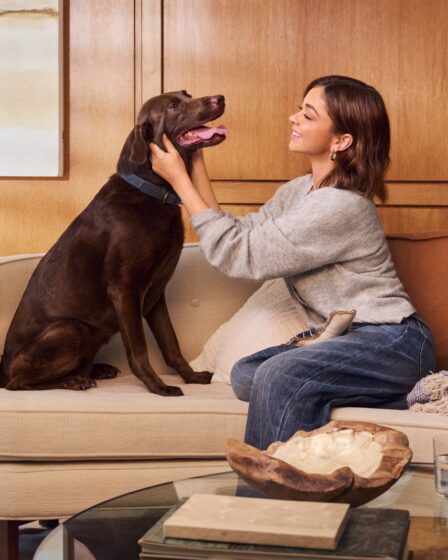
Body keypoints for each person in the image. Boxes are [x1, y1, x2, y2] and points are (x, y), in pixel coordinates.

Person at [150, 75, 436, 450]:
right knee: (246, 374)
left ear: (341, 141)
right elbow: (239, 232)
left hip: (392, 341)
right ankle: (404, 395)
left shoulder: (340, 205)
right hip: (346, 341)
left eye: (308, 114)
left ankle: (269, 501)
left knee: (278, 376)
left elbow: (238, 255)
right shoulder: (299, 190)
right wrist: (195, 160)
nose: (293, 118)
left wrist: (178, 181)